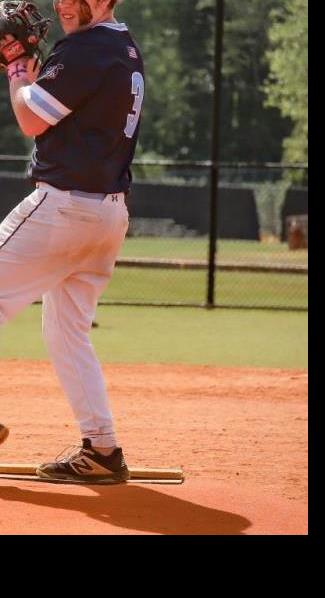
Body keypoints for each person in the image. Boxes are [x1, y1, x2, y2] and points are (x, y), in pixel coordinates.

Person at [0, 0, 145, 484]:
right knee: (67, 333)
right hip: (106, 215)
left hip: (62, 209)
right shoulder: (124, 47)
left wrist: (17, 70)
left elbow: (31, 120)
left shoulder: (87, 47)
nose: (63, 3)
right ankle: (102, 448)